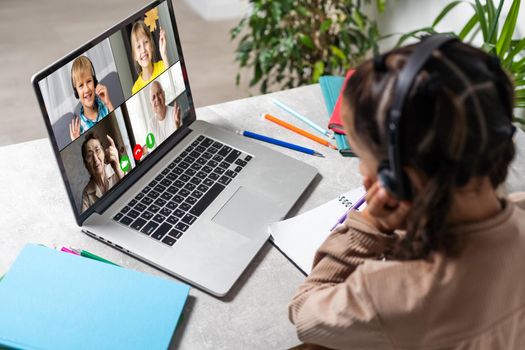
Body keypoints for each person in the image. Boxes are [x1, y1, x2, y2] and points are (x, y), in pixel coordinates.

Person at [288, 38, 525, 349]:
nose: (362, 172)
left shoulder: (386, 294)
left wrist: (369, 226)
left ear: (399, 179)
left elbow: (305, 313)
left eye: (363, 159)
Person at [69, 56, 114, 141]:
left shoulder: (105, 106)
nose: (86, 89)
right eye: (81, 85)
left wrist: (108, 103)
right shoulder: (80, 128)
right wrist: (76, 140)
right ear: (76, 91)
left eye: (89, 81)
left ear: (94, 81)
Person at [81, 133, 124, 212]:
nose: (95, 158)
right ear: (86, 164)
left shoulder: (118, 170)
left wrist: (118, 168)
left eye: (97, 150)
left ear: (104, 153)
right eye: (89, 155)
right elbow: (87, 222)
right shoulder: (86, 193)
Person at [130, 21, 169, 95]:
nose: (143, 50)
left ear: (151, 45)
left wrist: (163, 54)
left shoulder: (162, 66)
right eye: (138, 46)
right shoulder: (136, 89)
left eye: (146, 42)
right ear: (135, 56)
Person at [147, 80, 182, 146]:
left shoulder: (174, 113)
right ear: (150, 104)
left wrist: (178, 128)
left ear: (164, 94)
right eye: (153, 97)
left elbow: (181, 143)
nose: (157, 99)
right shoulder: (151, 124)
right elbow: (153, 151)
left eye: (159, 93)